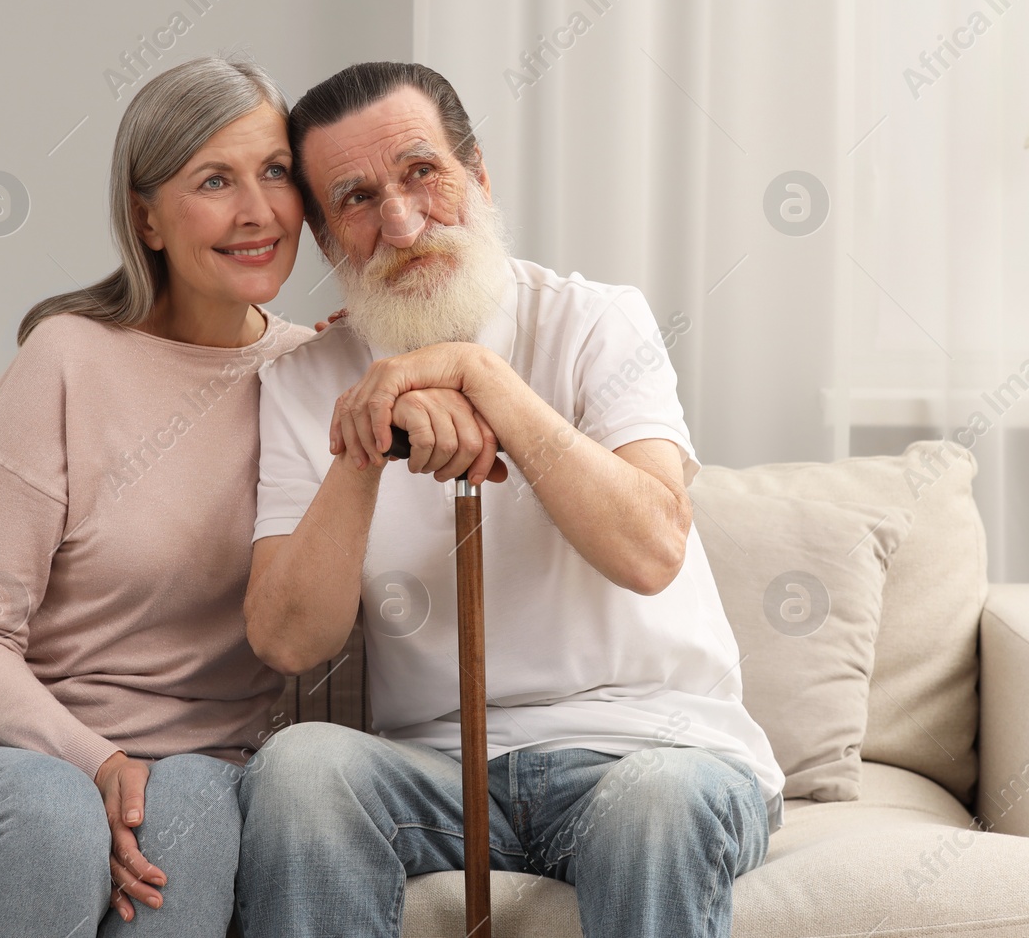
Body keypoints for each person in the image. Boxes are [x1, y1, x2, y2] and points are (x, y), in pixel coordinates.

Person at [237, 61, 781, 938]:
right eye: (357, 199)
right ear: (331, 242)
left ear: (478, 175)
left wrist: (481, 376)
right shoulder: (305, 383)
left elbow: (651, 549)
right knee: (299, 767)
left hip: (654, 754)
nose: (403, 224)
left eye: (422, 174)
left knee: (658, 803)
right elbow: (287, 637)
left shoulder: (599, 321)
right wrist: (365, 444)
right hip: (439, 772)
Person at [0, 55, 314, 937]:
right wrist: (96, 761)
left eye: (275, 171)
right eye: (214, 180)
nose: (257, 210)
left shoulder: (321, 377)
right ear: (146, 216)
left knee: (189, 803)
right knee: (53, 812)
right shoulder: (66, 361)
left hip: (196, 764)